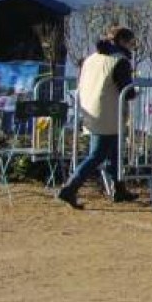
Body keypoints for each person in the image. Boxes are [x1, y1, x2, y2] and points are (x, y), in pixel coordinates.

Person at [56, 26, 142, 209]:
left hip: (91, 109)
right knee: (97, 155)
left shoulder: (91, 58)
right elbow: (127, 90)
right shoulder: (120, 60)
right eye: (130, 42)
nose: (132, 46)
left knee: (114, 152)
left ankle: (120, 189)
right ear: (122, 41)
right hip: (108, 112)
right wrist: (135, 92)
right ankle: (70, 188)